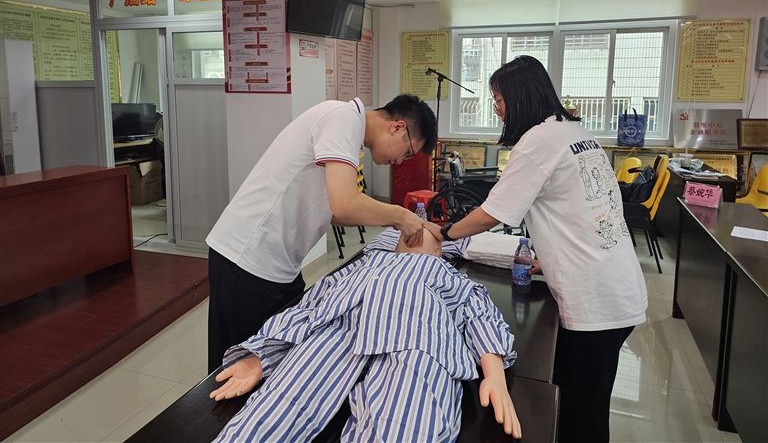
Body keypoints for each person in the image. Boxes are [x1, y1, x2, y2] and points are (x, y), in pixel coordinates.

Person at [438, 55, 647, 443]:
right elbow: (578, 213)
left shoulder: (537, 142)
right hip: (615, 285)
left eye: (499, 100)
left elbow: (491, 214)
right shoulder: (573, 131)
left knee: (580, 419)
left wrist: (444, 234)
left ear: (520, 96)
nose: (497, 110)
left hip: (595, 301)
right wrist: (548, 262)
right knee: (581, 405)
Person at [209, 228, 521, 443]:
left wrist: (493, 375)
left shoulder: (452, 277)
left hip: (418, 338)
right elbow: (311, 306)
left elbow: (480, 316)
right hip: (336, 330)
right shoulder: (364, 263)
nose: (418, 227)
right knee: (277, 407)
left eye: (428, 229)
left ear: (440, 251)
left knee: (407, 425)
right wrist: (264, 354)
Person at [206, 95, 439, 372]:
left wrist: (397, 222)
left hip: (281, 263)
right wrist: (400, 216)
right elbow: (345, 204)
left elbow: (335, 212)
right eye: (407, 152)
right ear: (397, 127)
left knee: (275, 354)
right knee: (237, 364)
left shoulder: (349, 132)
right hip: (247, 256)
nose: (400, 161)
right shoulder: (343, 118)